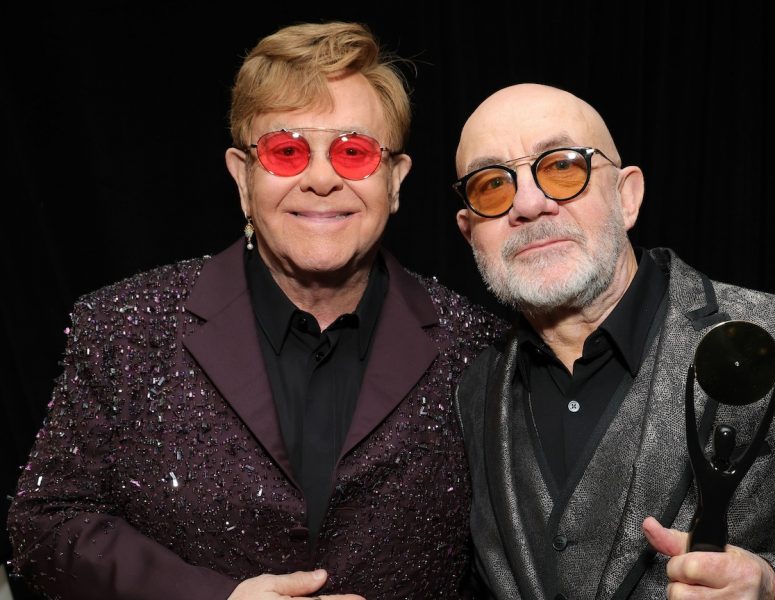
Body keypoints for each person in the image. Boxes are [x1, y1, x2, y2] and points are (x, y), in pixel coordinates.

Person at [7, 21, 505, 600]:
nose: (321, 178)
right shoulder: (122, 326)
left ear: (395, 181)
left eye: (353, 151)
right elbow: (43, 526)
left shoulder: (478, 346)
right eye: (287, 151)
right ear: (243, 177)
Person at [451, 83, 775, 599]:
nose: (527, 202)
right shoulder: (474, 387)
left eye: (562, 167)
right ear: (470, 230)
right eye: (491, 186)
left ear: (627, 195)